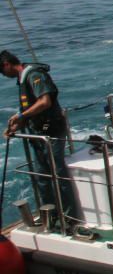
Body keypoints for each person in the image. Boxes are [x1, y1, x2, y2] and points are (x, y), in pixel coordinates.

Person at [2, 50, 78, 231]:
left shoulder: (35, 75)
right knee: (42, 177)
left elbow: (45, 102)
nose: (3, 75)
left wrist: (21, 114)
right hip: (37, 134)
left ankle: (69, 216)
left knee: (58, 175)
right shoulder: (21, 79)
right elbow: (32, 109)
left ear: (6, 64)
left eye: (1, 71)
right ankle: (49, 215)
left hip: (51, 132)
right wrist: (17, 125)